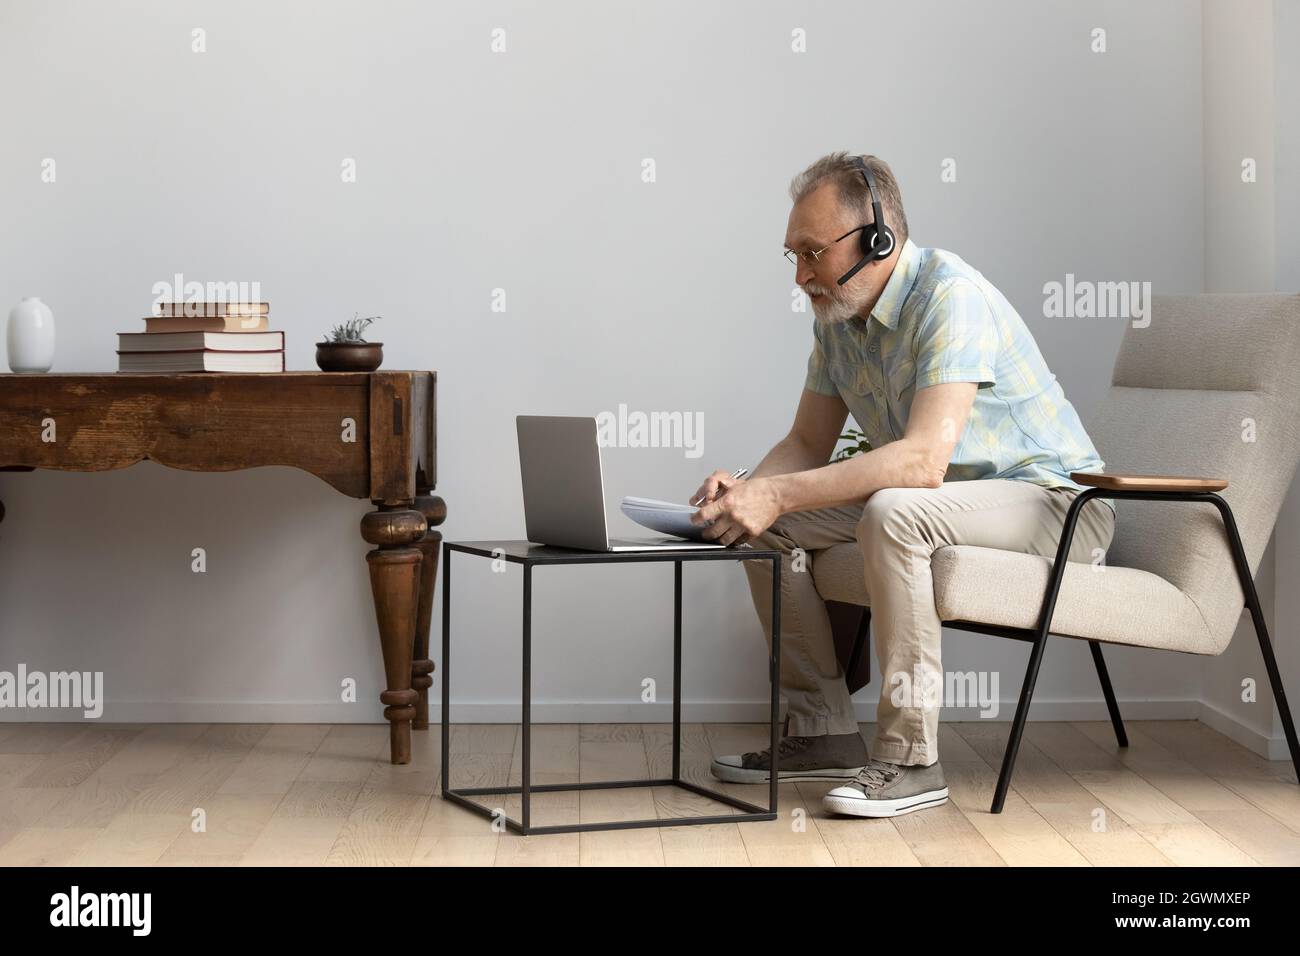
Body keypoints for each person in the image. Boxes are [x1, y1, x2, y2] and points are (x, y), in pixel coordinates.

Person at [690, 152, 1116, 818]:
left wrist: (777, 492)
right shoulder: (838, 320)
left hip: (1057, 505)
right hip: (947, 503)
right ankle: (823, 731)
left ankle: (912, 758)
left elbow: (921, 463)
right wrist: (748, 494)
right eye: (793, 257)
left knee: (895, 511)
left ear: (877, 240)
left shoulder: (950, 296)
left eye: (813, 253)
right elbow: (806, 443)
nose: (801, 276)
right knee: (768, 525)